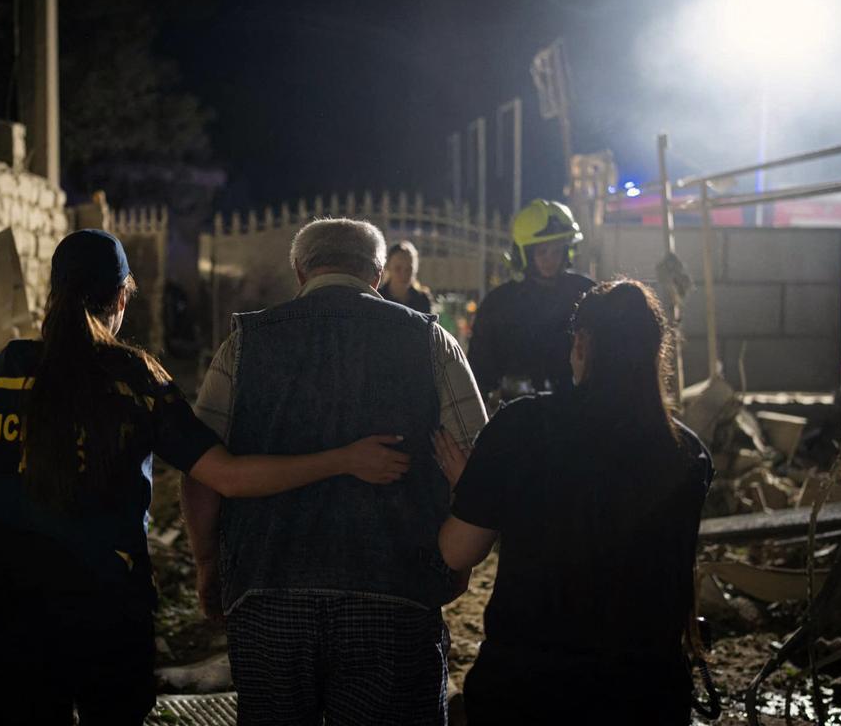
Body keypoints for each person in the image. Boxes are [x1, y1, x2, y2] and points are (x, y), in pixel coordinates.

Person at [0, 229, 412, 726]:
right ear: (122, 296)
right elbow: (224, 476)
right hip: (106, 621)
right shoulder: (135, 382)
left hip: (7, 621)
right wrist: (342, 459)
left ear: (52, 293)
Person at [181, 218, 487, 726]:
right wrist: (456, 566)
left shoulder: (245, 344)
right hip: (396, 591)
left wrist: (209, 564)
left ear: (300, 271)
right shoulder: (431, 341)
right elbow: (477, 470)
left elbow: (201, 473)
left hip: (267, 589)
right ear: (377, 274)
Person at [435, 279, 713, 725]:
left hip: (531, 689)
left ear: (581, 342)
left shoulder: (522, 428)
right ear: (654, 354)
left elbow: (457, 550)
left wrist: (479, 489)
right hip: (645, 694)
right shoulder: (687, 453)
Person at [467, 199, 594, 401]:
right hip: (517, 414)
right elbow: (480, 366)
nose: (549, 259)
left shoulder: (585, 293)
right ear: (525, 253)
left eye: (556, 251)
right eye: (542, 251)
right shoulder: (500, 303)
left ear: (567, 250)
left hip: (575, 410)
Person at [379, 240, 433, 314]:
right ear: (388, 267)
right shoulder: (379, 297)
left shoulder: (422, 299)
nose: (404, 274)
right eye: (398, 269)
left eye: (409, 269)